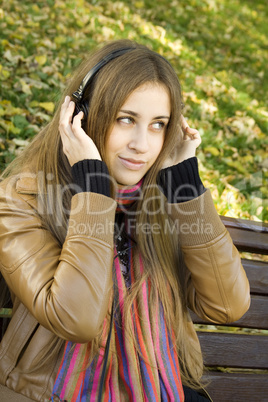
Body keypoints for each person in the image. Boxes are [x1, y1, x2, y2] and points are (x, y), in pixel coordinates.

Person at [0, 39, 250, 402]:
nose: (142, 144)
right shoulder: (21, 199)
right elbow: (77, 319)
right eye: (126, 119)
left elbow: (228, 305)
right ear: (80, 118)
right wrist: (95, 190)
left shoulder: (162, 201)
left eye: (158, 125)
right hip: (51, 392)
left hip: (164, 388)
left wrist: (186, 187)